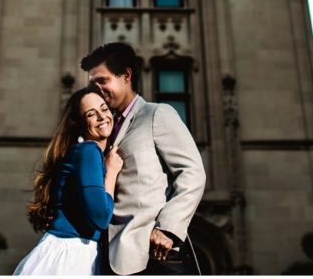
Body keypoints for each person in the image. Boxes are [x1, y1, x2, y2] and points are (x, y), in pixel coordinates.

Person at [82, 42, 206, 275]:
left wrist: (168, 228)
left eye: (102, 81)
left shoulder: (157, 114)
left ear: (126, 75)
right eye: (92, 84)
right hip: (108, 259)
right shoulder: (103, 129)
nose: (96, 89)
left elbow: (193, 172)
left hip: (152, 254)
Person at [14, 87, 124, 275]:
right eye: (91, 114)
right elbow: (100, 217)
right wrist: (112, 173)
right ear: (80, 124)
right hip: (70, 256)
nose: (101, 116)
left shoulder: (84, 153)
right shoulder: (88, 151)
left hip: (71, 251)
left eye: (104, 109)